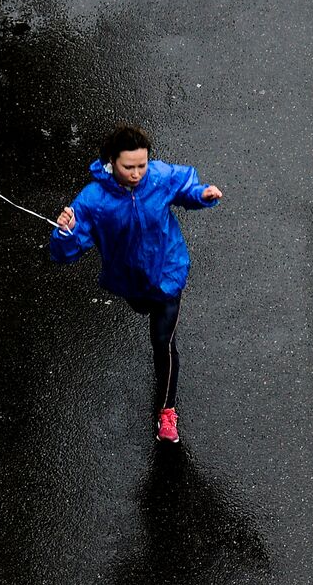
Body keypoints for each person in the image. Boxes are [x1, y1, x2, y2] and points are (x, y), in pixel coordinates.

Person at [50, 124, 223, 443]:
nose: (136, 173)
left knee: (163, 342)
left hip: (168, 275)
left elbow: (185, 188)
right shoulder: (94, 200)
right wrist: (67, 232)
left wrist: (202, 194)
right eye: (128, 167)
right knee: (145, 313)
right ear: (111, 163)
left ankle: (167, 412)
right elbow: (65, 252)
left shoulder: (158, 177)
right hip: (130, 283)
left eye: (141, 165)